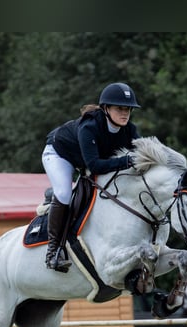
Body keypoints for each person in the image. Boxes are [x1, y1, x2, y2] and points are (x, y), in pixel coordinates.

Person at [42, 82, 141, 272]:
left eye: (128, 109)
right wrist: (127, 161)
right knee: (63, 193)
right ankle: (53, 251)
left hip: (83, 159)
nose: (125, 113)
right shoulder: (90, 126)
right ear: (105, 108)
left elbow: (140, 155)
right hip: (59, 154)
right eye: (120, 108)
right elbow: (94, 165)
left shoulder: (130, 129)